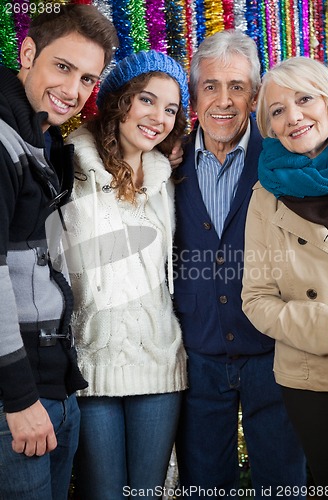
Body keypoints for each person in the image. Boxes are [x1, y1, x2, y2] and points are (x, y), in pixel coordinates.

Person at [172, 30, 306, 498]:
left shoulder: (283, 157)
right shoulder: (165, 160)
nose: (224, 101)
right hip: (199, 351)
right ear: (194, 95)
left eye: (237, 87)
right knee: (205, 485)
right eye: (211, 86)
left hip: (276, 354)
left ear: (253, 95)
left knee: (285, 484)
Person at [59, 49, 188, 499]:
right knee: (104, 493)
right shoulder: (68, 166)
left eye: (170, 108)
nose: (159, 117)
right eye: (147, 101)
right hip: (91, 364)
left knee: (148, 492)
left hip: (159, 362)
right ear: (118, 101)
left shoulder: (165, 179)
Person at [0, 5, 117, 499]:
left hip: (54, 384)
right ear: (27, 53)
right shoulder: (4, 142)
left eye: (88, 78)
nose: (74, 90)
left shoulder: (41, 139)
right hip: (18, 398)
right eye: (63, 67)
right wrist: (20, 398)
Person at [242, 56, 328, 492]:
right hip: (311, 379)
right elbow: (256, 298)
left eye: (305, 99)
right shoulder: (264, 196)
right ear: (269, 128)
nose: (294, 116)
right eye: (277, 111)